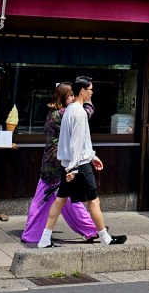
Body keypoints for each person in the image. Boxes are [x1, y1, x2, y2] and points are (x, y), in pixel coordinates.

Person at [38, 76, 127, 247]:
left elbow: (74, 141)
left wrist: (91, 157)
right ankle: (105, 238)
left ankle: (44, 239)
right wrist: (75, 168)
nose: (92, 92)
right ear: (82, 91)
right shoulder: (79, 113)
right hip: (78, 165)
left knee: (61, 199)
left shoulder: (69, 109)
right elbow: (77, 143)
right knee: (93, 201)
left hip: (69, 164)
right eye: (90, 89)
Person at [21, 84, 98, 245]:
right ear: (63, 97)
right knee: (71, 201)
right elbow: (86, 114)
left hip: (48, 163)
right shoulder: (64, 114)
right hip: (60, 164)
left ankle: (32, 234)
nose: (73, 99)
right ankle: (91, 230)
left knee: (47, 201)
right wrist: (87, 100)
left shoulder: (52, 113)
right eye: (71, 96)